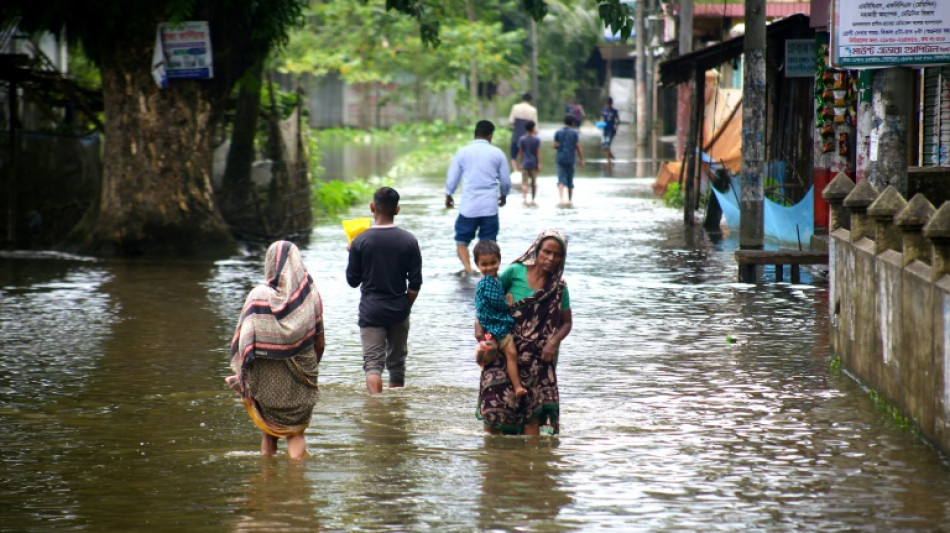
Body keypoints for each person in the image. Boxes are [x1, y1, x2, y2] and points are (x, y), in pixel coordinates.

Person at [226, 240, 325, 460]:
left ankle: (268, 484)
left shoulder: (258, 296)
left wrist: (246, 376)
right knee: (296, 433)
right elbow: (320, 342)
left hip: (265, 383)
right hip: (301, 378)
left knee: (268, 434)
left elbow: (245, 344)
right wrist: (308, 373)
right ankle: (296, 486)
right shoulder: (310, 295)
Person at [476, 229, 572, 436]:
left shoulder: (559, 289)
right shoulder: (514, 272)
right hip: (503, 348)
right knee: (494, 407)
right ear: (536, 251)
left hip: (538, 359)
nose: (550, 258)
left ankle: (530, 459)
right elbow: (486, 301)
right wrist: (482, 334)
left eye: (557, 255)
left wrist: (552, 343)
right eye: (546, 252)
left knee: (532, 415)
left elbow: (566, 324)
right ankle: (492, 459)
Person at [346, 187, 423, 394]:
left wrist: (352, 253)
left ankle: (376, 411)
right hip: (398, 307)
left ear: (372, 207)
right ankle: (395, 412)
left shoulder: (360, 241)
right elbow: (415, 283)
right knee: (397, 364)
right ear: (397, 210)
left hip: (371, 309)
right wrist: (405, 305)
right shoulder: (409, 240)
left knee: (373, 364)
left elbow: (352, 281)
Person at [445, 120, 512, 275]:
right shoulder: (497, 153)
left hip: (468, 207)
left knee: (461, 241)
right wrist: (504, 195)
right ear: (490, 135)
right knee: (488, 244)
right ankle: (486, 274)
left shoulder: (463, 152)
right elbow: (506, 181)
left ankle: (468, 270)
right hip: (489, 207)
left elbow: (452, 178)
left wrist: (449, 194)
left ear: (475, 133)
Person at [472, 239, 527, 399]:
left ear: (499, 260)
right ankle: (517, 386)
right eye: (484, 264)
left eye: (493, 263)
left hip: (490, 322)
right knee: (511, 353)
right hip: (495, 323)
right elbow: (497, 302)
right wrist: (508, 303)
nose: (489, 268)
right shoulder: (488, 282)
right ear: (477, 265)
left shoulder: (494, 280)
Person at [553, 115, 585, 207]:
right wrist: (582, 159)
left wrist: (561, 146)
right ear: (572, 123)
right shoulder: (574, 133)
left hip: (560, 158)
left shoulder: (558, 132)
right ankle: (570, 200)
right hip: (570, 159)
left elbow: (554, 145)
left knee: (561, 179)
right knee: (570, 180)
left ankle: (561, 199)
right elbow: (578, 146)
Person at [507, 92, 538, 171]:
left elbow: (511, 121)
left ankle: (515, 170)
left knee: (513, 155)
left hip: (516, 134)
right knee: (527, 154)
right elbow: (535, 126)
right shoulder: (533, 110)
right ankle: (525, 170)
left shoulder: (515, 107)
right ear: (530, 100)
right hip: (527, 136)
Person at [517, 120, 541, 206]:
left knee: (524, 183)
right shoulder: (537, 139)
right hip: (534, 164)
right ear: (533, 128)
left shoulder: (522, 139)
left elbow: (520, 152)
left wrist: (521, 163)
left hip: (525, 163)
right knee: (534, 183)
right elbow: (538, 153)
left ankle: (524, 199)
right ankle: (533, 200)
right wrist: (539, 164)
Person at [601, 97, 620, 167]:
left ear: (611, 104)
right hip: (605, 129)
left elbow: (618, 120)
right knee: (604, 145)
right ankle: (611, 155)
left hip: (611, 130)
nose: (608, 105)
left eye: (609, 104)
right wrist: (601, 125)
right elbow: (602, 118)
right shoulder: (604, 110)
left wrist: (616, 127)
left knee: (607, 145)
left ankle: (608, 161)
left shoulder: (614, 111)